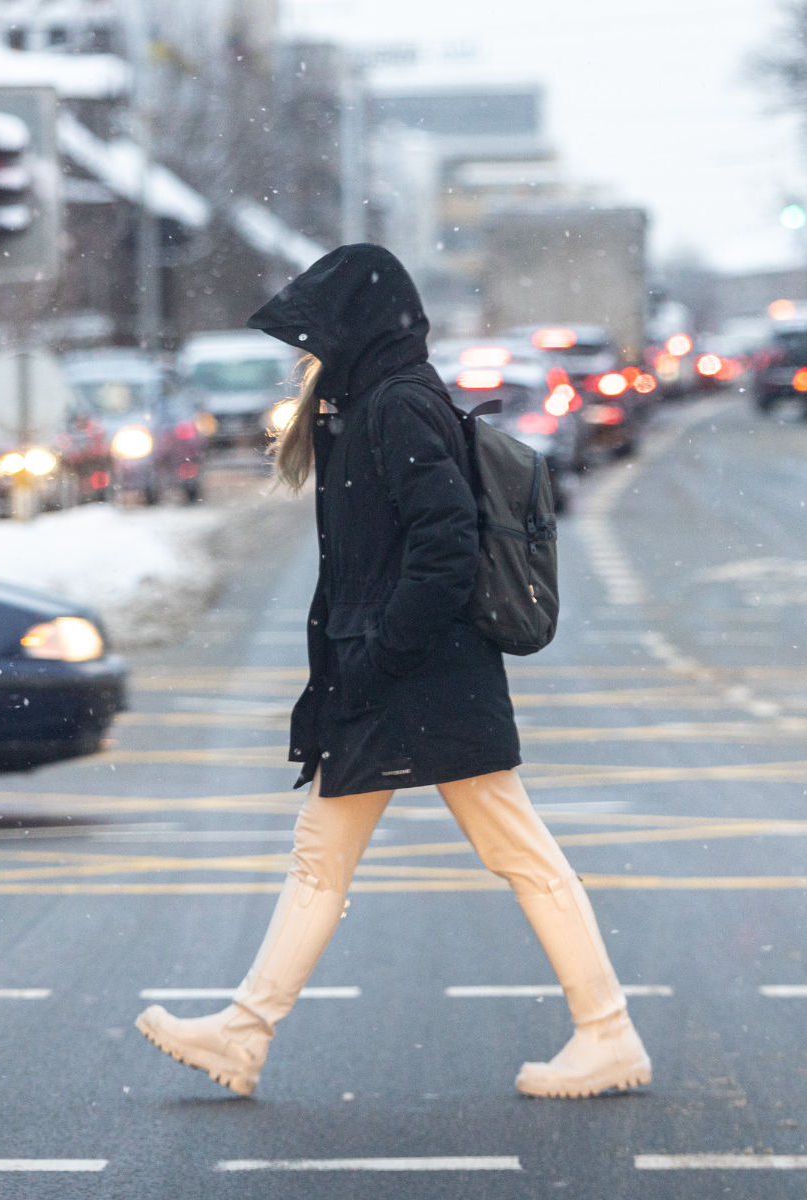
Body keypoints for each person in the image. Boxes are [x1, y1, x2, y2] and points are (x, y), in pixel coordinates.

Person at [135, 244, 651, 1101]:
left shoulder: (398, 406)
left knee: (516, 850)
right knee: (328, 855)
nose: (306, 352)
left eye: (317, 333)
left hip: (421, 675)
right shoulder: (367, 404)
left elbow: (444, 547)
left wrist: (380, 657)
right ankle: (244, 1032)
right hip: (392, 674)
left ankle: (608, 1033)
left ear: (356, 327)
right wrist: (352, 668)